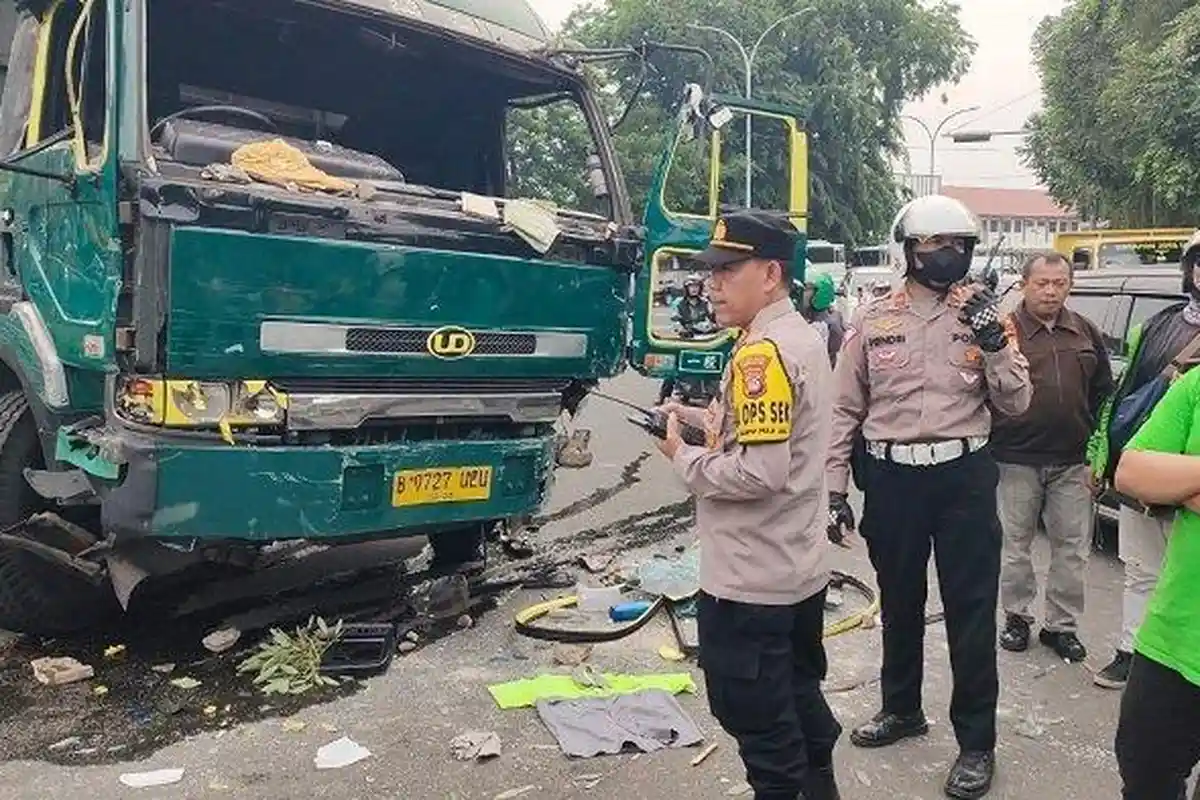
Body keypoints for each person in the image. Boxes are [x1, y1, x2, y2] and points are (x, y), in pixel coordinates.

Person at [825, 195, 1032, 800]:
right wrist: (835, 491)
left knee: (970, 611)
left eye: (959, 247)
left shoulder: (987, 315)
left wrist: (995, 342)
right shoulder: (872, 318)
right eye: (934, 246)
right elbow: (845, 410)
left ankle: (975, 744)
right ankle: (902, 709)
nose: (948, 257)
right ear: (908, 250)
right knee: (900, 602)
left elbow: (1016, 404)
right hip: (891, 480)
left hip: (963, 477)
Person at [656, 209, 842, 800]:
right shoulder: (799, 337)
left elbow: (761, 472)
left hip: (749, 584)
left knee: (764, 735)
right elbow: (765, 434)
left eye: (726, 270)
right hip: (795, 574)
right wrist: (692, 420)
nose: (711, 285)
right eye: (710, 272)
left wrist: (682, 460)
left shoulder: (761, 355)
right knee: (801, 710)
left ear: (770, 274)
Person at [1088, 231, 1200, 690]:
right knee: (1140, 570)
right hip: (1144, 467)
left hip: (1188, 481)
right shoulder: (1157, 325)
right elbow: (1123, 393)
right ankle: (1132, 653)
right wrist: (1103, 456)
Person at [992, 252, 1114, 663]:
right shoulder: (1004, 331)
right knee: (1015, 546)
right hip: (1015, 458)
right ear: (1024, 284)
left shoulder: (1084, 331)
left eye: (1058, 283)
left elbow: (1103, 390)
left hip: (1072, 461)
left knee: (1072, 549)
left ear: (1069, 285)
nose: (1050, 291)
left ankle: (1061, 627)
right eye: (1041, 283)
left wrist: (1095, 449)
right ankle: (1017, 618)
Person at [1110, 366, 1200, 800]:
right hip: (1175, 636)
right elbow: (1132, 471)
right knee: (1143, 769)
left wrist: (1182, 479)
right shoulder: (1197, 384)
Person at [799, 272, 847, 366]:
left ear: (820, 293)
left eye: (807, 289)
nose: (802, 294)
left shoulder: (829, 324)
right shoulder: (805, 317)